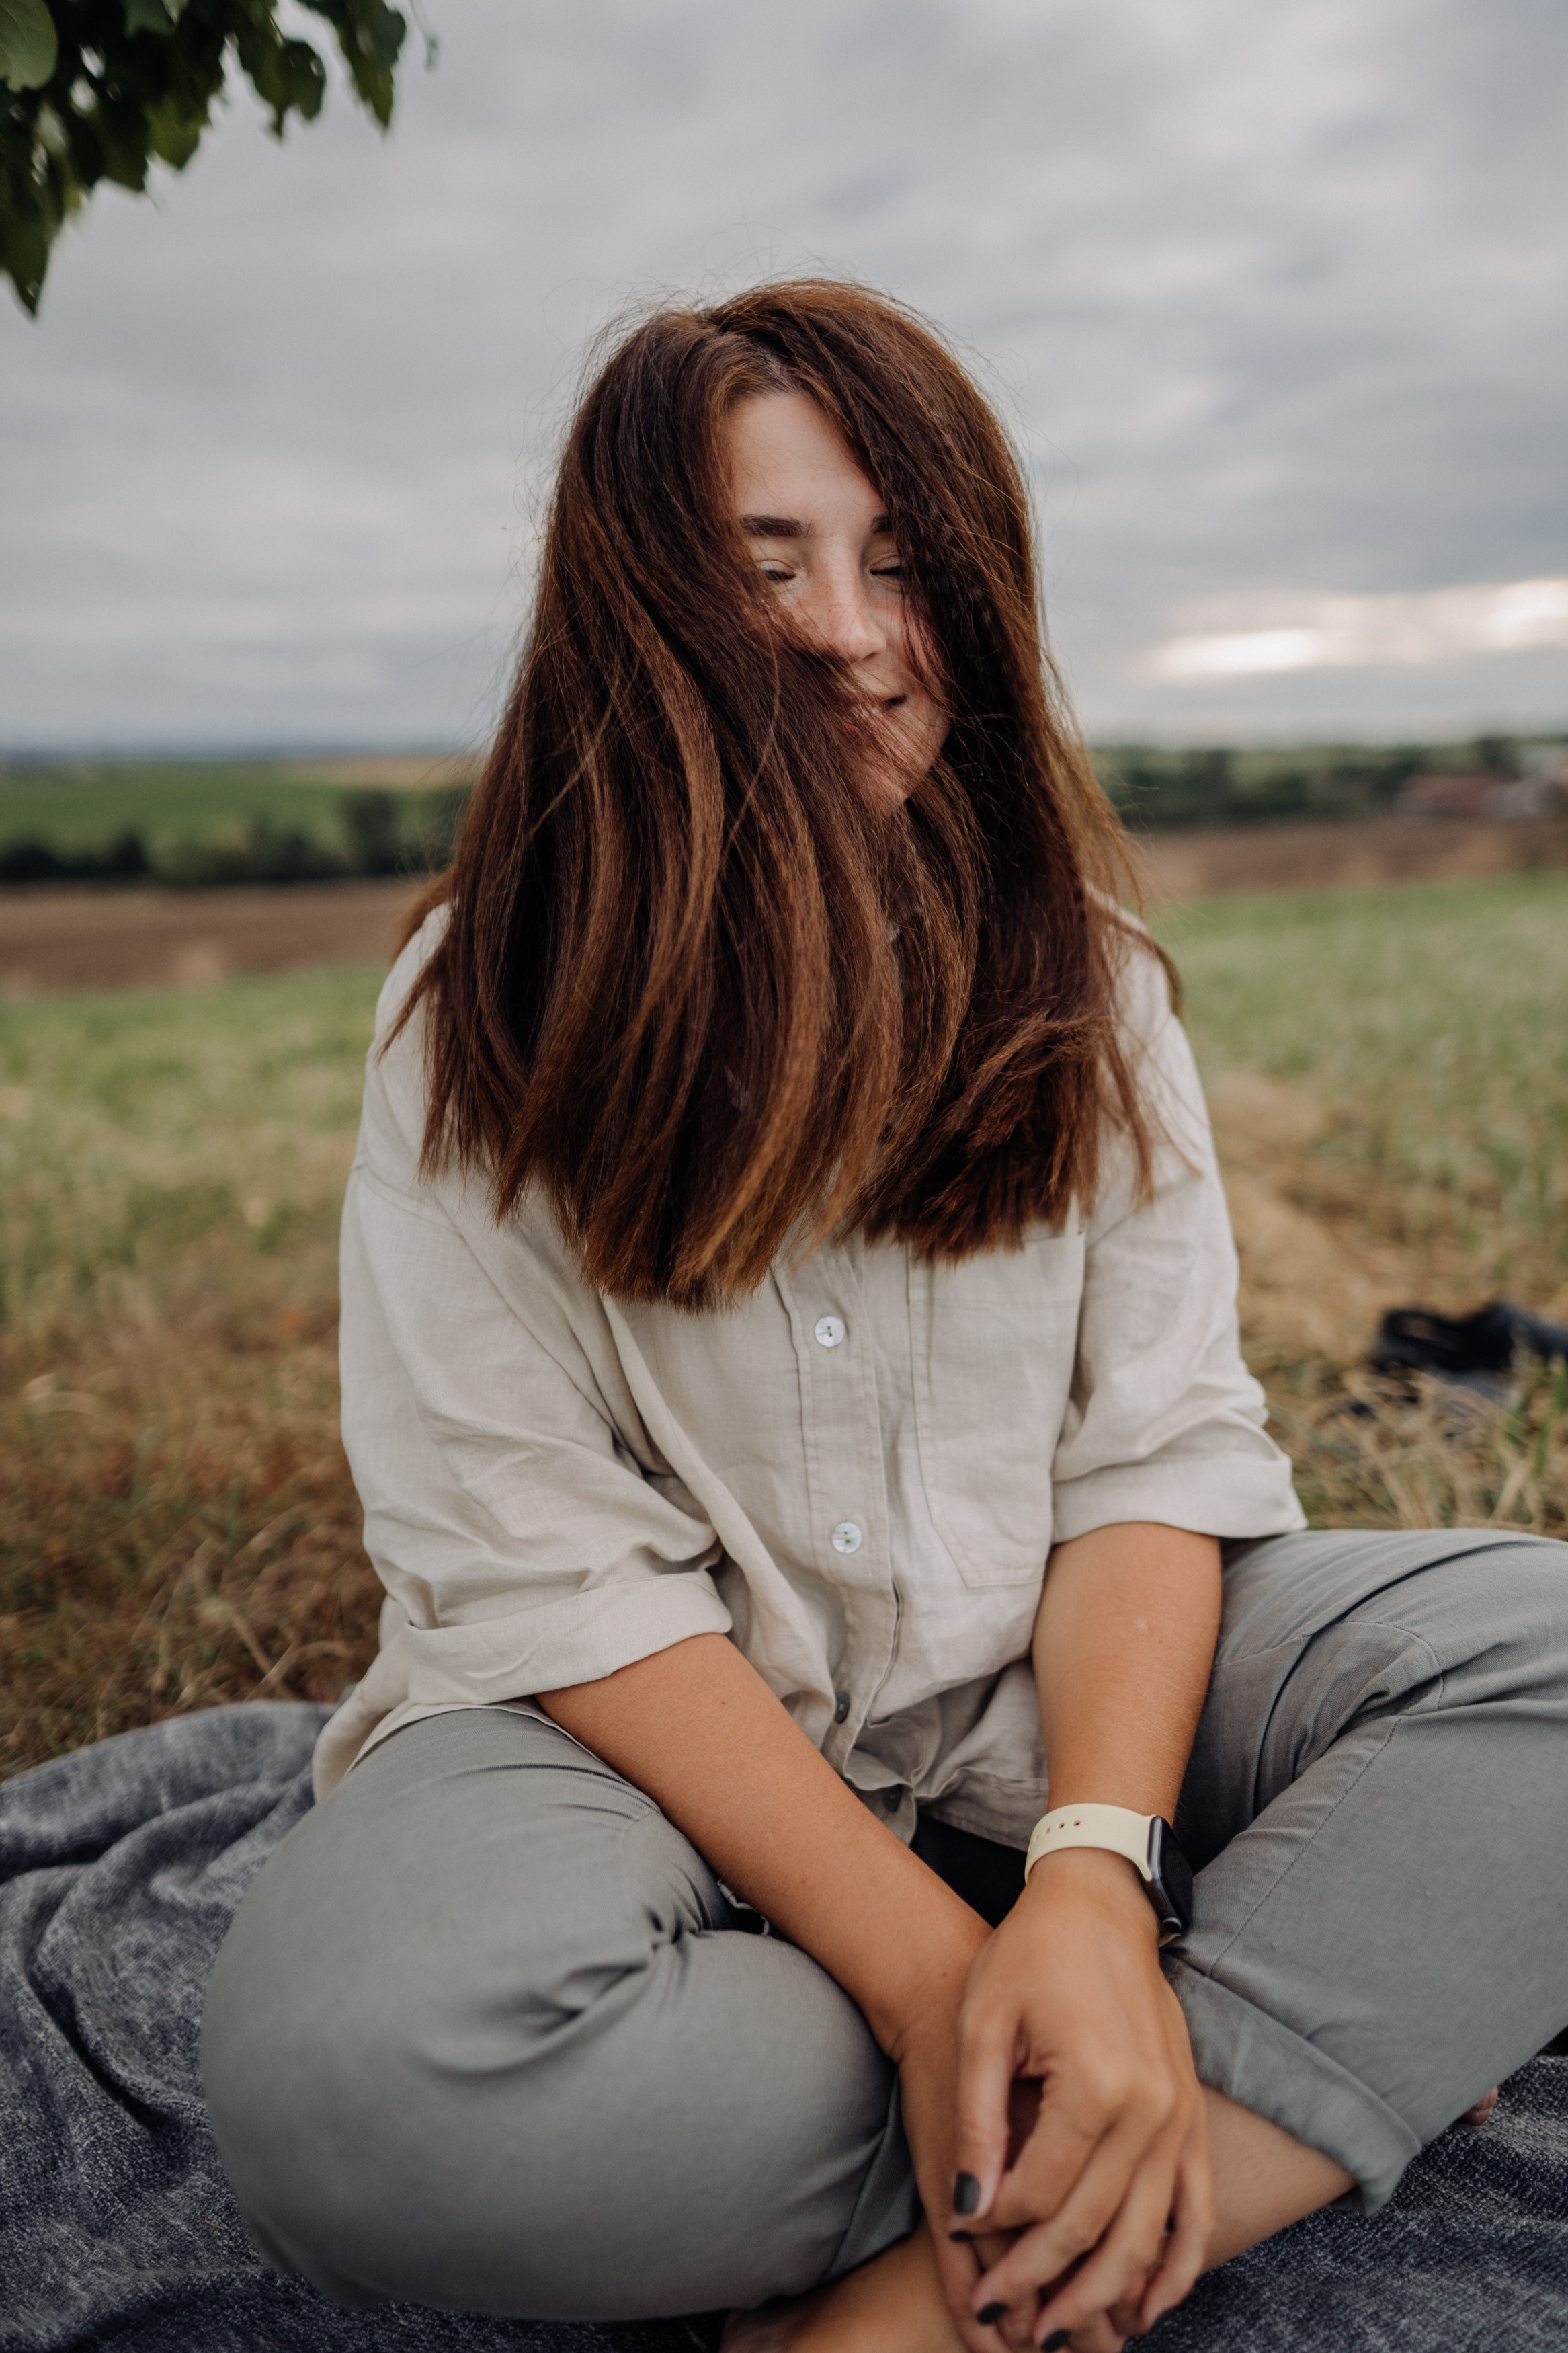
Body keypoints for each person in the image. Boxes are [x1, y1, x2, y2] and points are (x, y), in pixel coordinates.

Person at [200, 282, 1568, 2353]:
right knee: (350, 2075)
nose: (851, 627)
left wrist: (1095, 1868)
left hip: (1060, 1705)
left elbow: (1155, 1462)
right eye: (770, 565)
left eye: (905, 560)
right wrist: (943, 1975)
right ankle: (1229, 2063)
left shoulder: (1089, 982)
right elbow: (533, 1555)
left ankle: (931, 2302)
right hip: (644, 1759)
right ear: (645, 604)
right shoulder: (483, 1002)